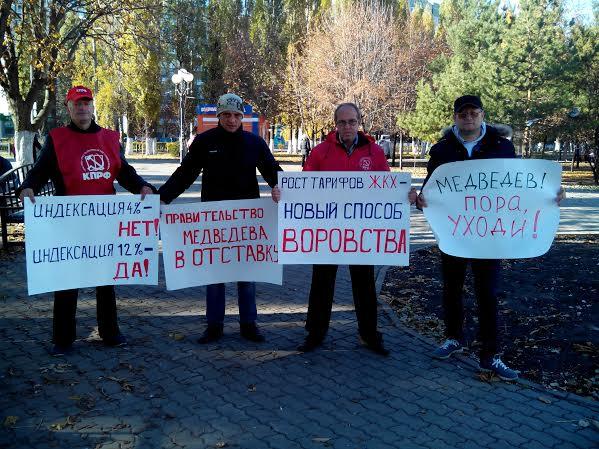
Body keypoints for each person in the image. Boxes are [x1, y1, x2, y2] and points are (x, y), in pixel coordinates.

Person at [416, 95, 564, 381]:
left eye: (473, 113)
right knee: (452, 289)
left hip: (489, 235)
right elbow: (431, 186)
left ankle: (490, 355)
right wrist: (419, 198)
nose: (468, 118)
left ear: (482, 115)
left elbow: (521, 184)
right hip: (455, 233)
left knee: (488, 295)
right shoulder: (442, 149)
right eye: (463, 114)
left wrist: (552, 194)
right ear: (455, 117)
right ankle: (454, 338)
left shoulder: (502, 146)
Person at [18, 85, 156, 356]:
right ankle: (63, 337)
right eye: (76, 104)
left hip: (104, 221)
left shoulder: (109, 138)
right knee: (67, 280)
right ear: (69, 109)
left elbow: (124, 172)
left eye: (86, 103)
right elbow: (41, 170)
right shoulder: (57, 138)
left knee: (106, 279)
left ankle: (110, 331)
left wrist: (142, 186)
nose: (82, 108)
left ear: (93, 107)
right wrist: (28, 186)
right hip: (69, 223)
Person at [159, 93, 282, 344]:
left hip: (247, 222)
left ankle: (249, 323)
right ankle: (214, 325)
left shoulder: (254, 142)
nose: (232, 120)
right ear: (218, 116)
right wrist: (162, 198)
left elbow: (272, 170)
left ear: (243, 117)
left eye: (237, 115)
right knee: (214, 276)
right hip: (213, 220)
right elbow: (185, 173)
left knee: (246, 274)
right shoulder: (204, 142)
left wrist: (282, 189)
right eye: (227, 114)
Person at [296, 102, 417, 356]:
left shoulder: (374, 152)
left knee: (364, 284)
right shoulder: (320, 152)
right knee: (321, 283)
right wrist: (282, 193)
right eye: (342, 122)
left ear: (359, 122)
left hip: (361, 234)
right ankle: (315, 333)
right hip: (327, 233)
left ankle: (369, 334)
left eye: (352, 121)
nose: (347, 126)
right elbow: (303, 187)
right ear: (335, 124)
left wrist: (404, 194)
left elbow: (387, 185)